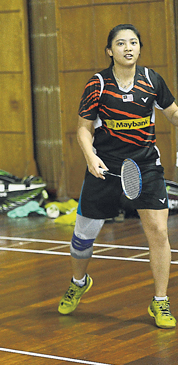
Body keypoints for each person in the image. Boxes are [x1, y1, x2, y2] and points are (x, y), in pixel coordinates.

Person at [57, 24, 178, 329]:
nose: (128, 48)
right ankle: (79, 281)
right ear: (110, 51)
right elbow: (83, 129)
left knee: (159, 233)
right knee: (83, 238)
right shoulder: (97, 85)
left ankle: (160, 301)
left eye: (133, 42)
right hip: (105, 168)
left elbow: (173, 113)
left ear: (139, 48)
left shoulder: (152, 80)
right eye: (121, 43)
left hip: (145, 164)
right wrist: (90, 157)